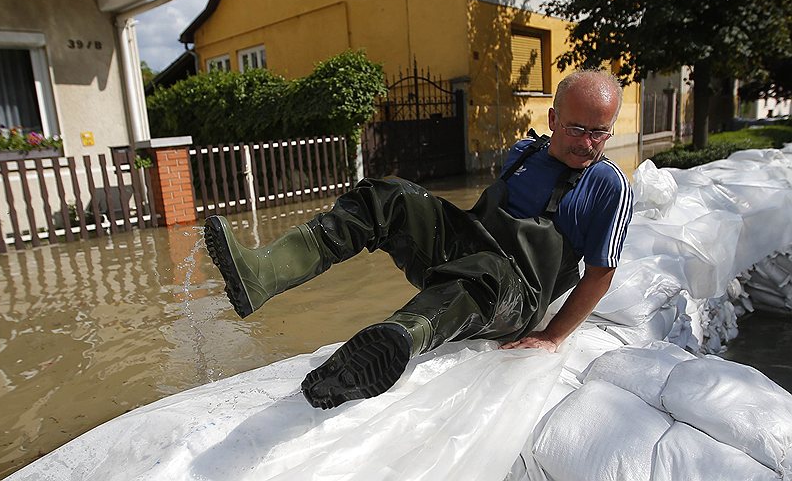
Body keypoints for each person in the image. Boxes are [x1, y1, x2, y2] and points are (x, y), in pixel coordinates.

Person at [204, 70, 633, 409]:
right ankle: (263, 273)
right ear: (553, 118)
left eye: (600, 132)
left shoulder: (607, 184)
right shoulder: (522, 152)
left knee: (482, 273)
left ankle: (394, 341)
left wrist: (552, 336)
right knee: (389, 195)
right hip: (471, 249)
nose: (588, 144)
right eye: (577, 129)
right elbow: (481, 219)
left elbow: (600, 274)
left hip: (515, 294)